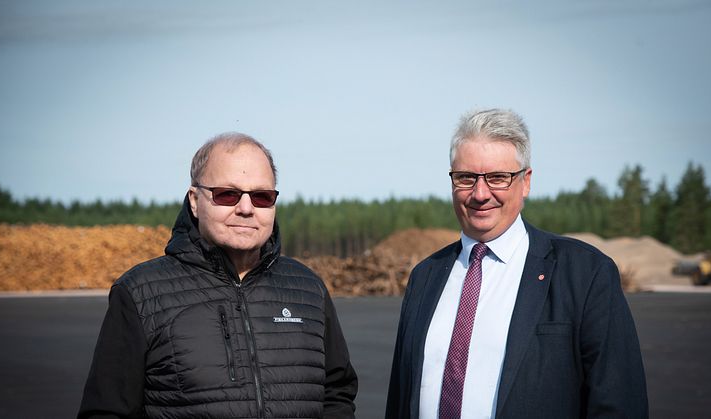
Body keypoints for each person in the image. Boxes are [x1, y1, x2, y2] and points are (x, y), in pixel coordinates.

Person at [385, 109, 648, 418]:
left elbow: (619, 404)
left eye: (498, 178)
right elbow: (401, 399)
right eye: (466, 178)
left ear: (525, 182)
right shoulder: (425, 277)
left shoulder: (584, 274)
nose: (480, 194)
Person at [78, 133, 358, 419]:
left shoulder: (307, 289)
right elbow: (106, 411)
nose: (246, 209)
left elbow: (337, 392)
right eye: (228, 194)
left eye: (262, 197)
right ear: (195, 201)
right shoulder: (140, 294)